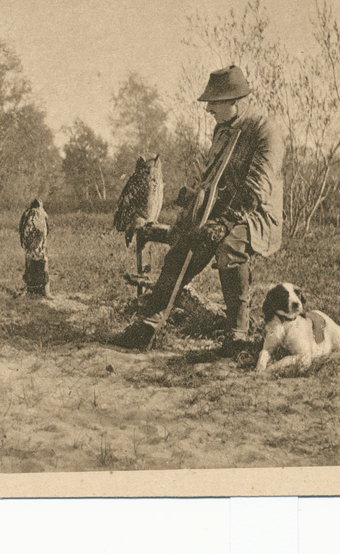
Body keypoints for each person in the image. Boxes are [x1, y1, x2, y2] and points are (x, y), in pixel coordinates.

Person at [118, 65, 284, 352]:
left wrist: (220, 225)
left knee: (229, 244)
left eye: (214, 103)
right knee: (181, 250)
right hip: (219, 212)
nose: (208, 109)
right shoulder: (222, 131)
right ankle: (148, 326)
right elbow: (211, 181)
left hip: (256, 215)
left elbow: (256, 191)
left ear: (236, 100)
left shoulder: (265, 131)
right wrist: (190, 205)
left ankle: (237, 335)